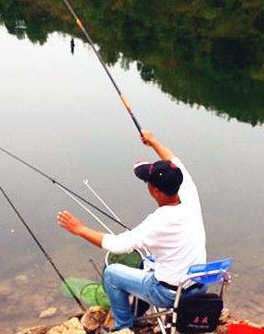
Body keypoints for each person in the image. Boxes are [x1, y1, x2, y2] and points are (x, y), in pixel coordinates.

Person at [57, 130, 207, 330]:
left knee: (111, 273)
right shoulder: (190, 196)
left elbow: (117, 245)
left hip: (169, 294)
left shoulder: (158, 221)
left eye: (148, 181)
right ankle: (137, 309)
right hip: (199, 286)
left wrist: (80, 229)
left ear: (154, 190)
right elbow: (174, 160)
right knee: (147, 262)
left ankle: (123, 326)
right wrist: (153, 141)